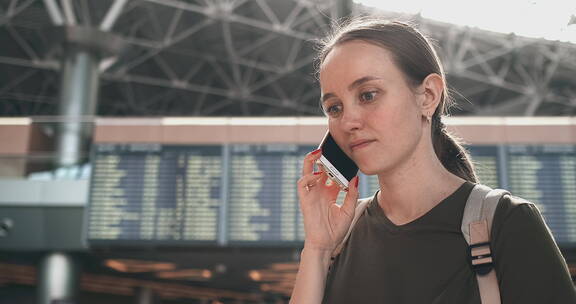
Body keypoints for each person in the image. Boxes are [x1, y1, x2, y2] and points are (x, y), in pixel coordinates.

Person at [290, 18, 576, 303]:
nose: (348, 121)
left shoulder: (508, 223)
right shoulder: (338, 240)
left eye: (367, 95)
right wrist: (317, 248)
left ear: (427, 96)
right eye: (334, 108)